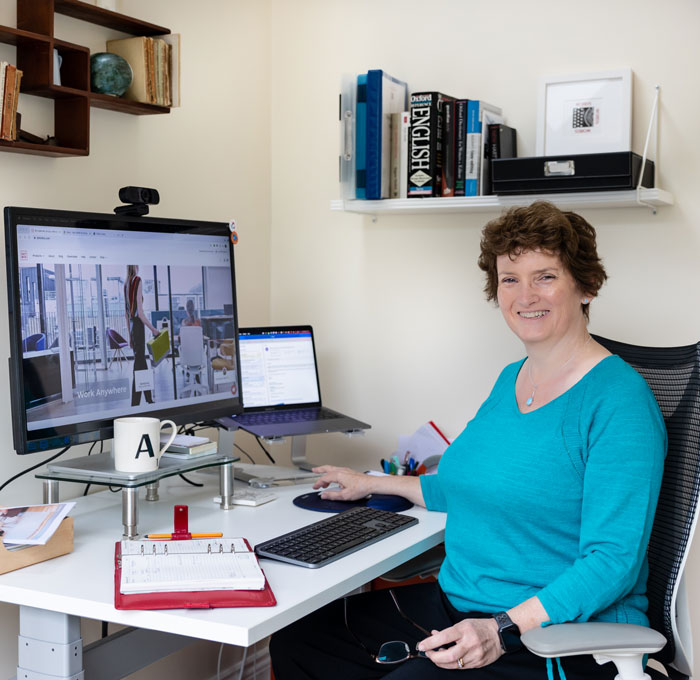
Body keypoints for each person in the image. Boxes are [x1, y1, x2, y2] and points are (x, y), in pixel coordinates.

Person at [269, 201, 666, 680]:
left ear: (585, 285)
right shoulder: (511, 380)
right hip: (460, 607)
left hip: (555, 634)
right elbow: (466, 486)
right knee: (300, 642)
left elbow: (613, 561)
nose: (525, 295)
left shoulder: (618, 401)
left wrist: (501, 628)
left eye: (545, 276)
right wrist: (375, 483)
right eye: (509, 278)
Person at [124, 265, 159, 406]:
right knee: (139, 365)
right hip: (138, 326)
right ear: (136, 266)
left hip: (133, 327)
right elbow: (141, 313)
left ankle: (147, 399)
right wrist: (154, 329)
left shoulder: (126, 284)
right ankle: (136, 402)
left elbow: (126, 314)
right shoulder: (137, 281)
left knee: (141, 364)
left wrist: (129, 336)